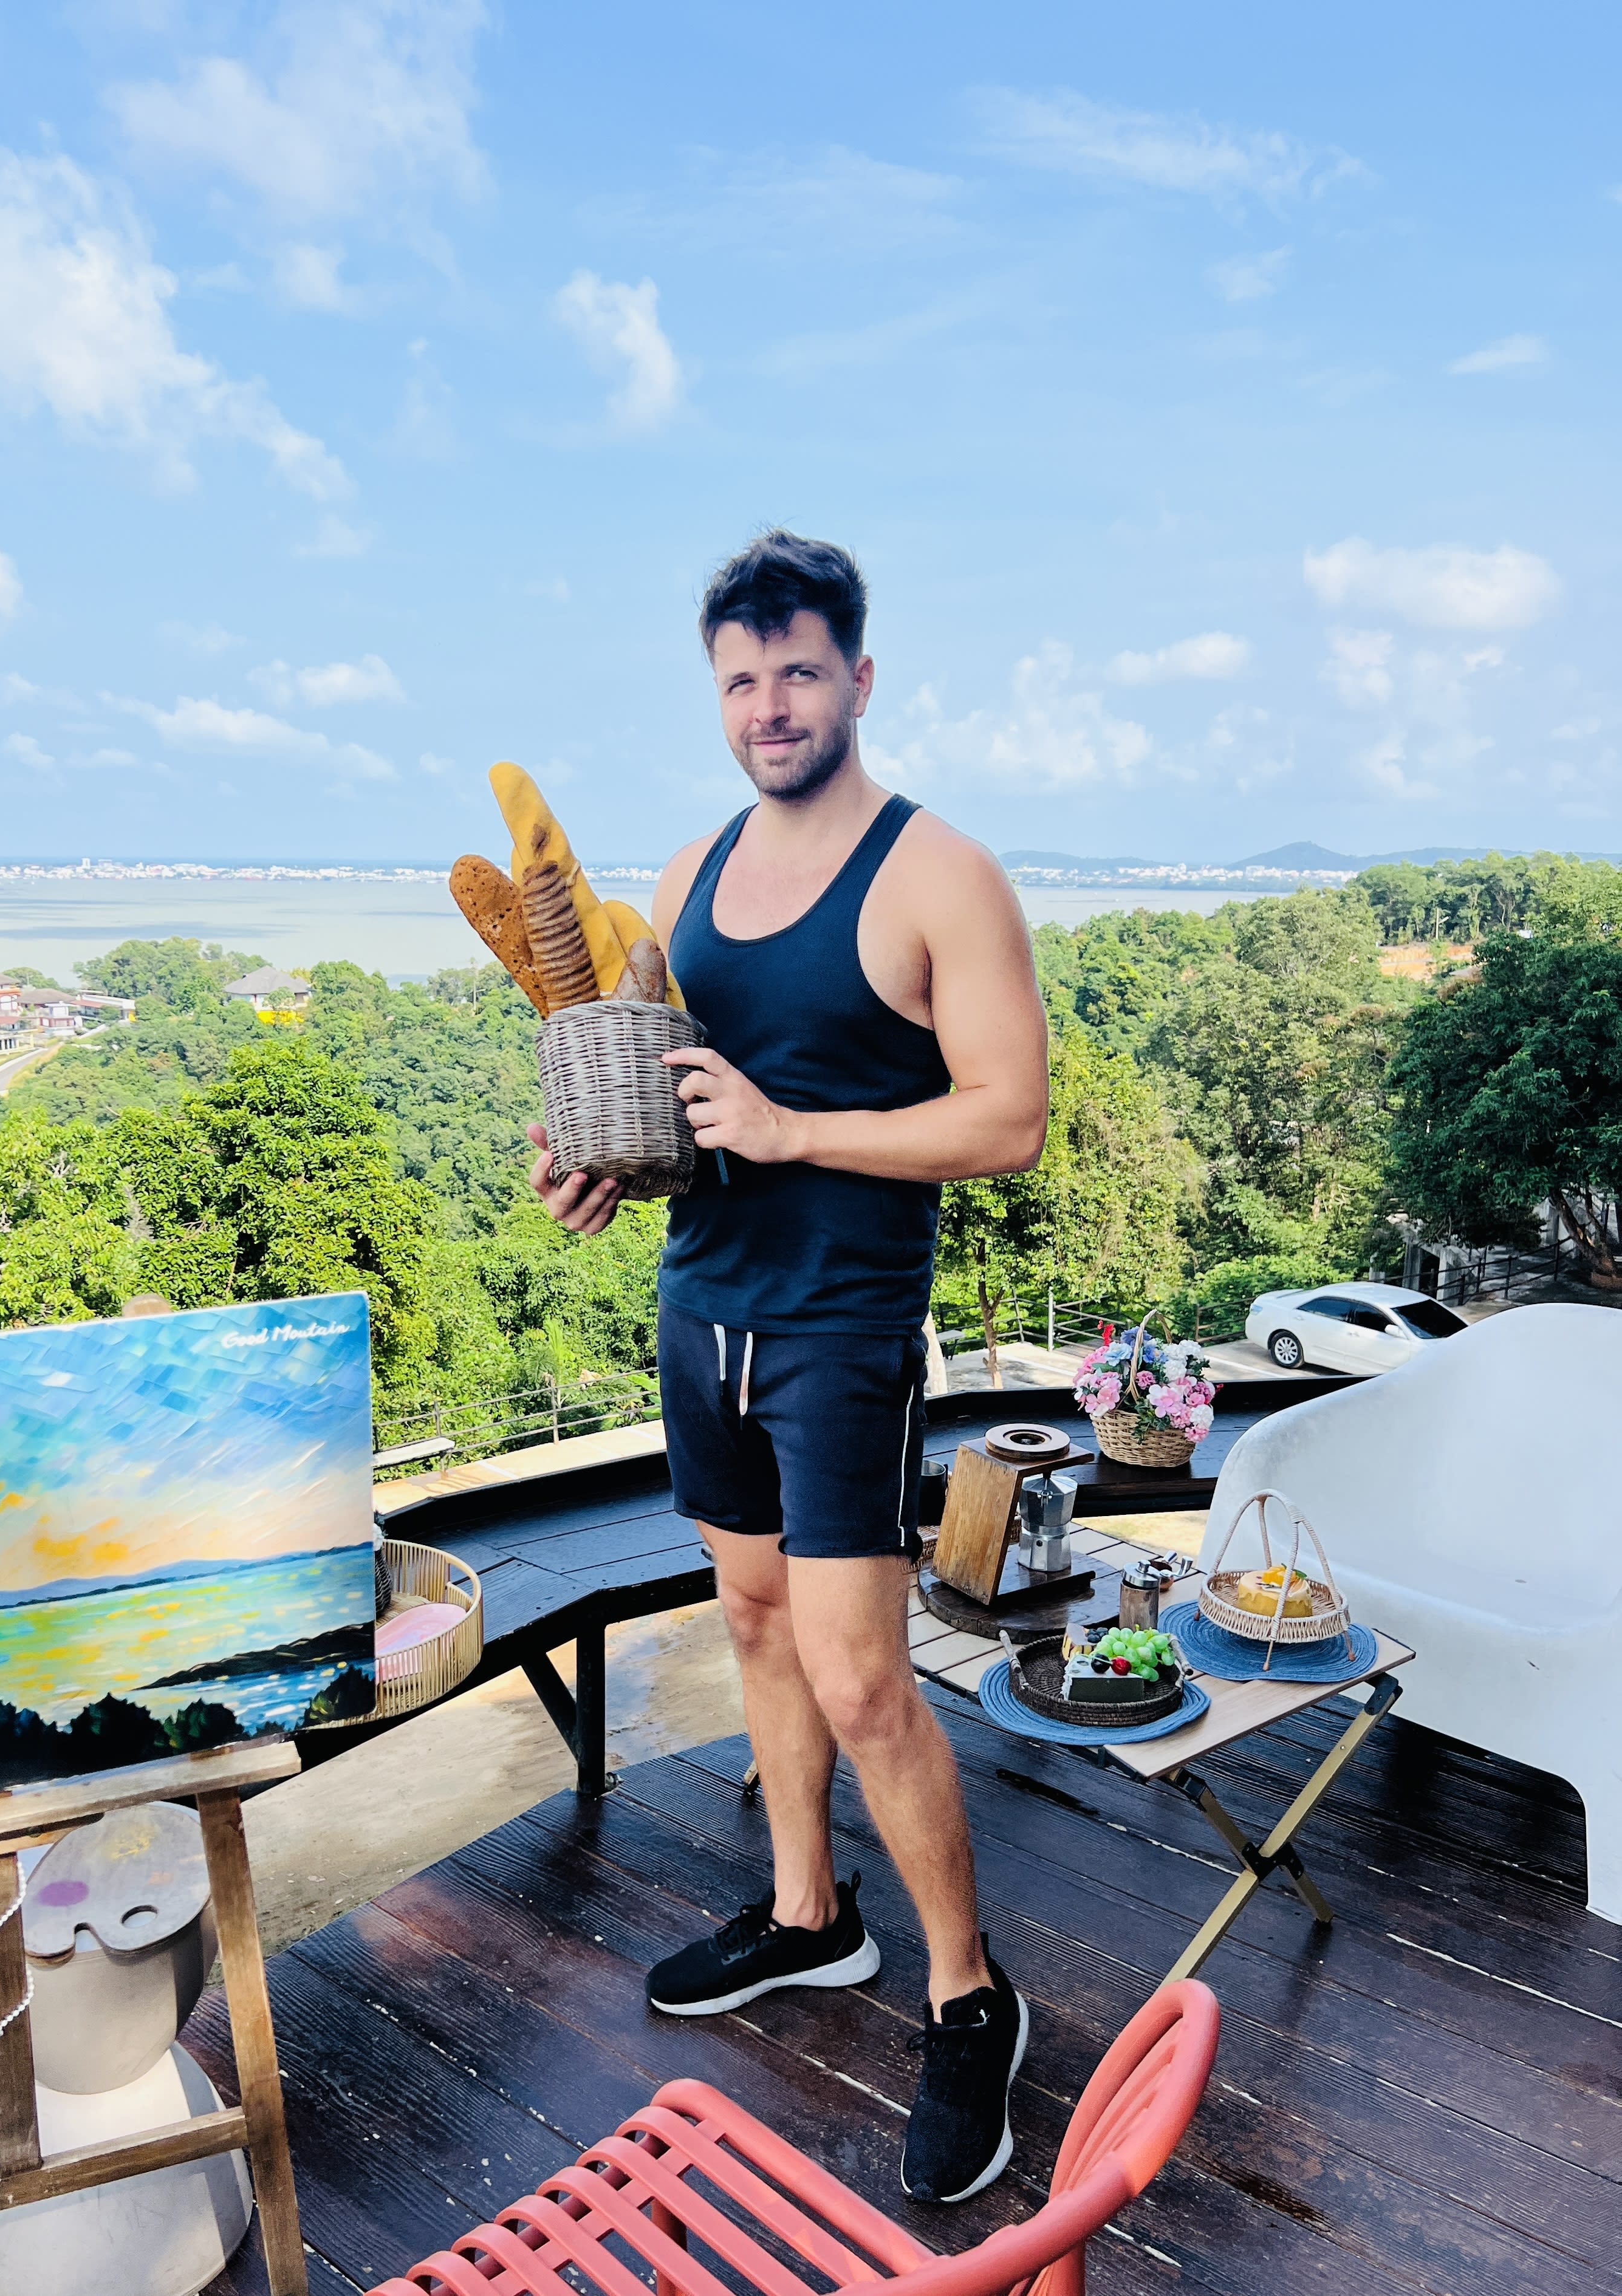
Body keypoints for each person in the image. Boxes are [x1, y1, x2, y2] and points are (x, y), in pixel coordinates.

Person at [527, 529, 1050, 2204]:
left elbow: (1010, 1117)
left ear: (860, 680)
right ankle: (809, 1916)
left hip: (840, 1330)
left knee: (860, 1675)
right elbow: (664, 1087)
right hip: (704, 1305)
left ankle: (972, 1992)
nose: (769, 704)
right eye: (740, 680)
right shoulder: (684, 878)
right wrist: (600, 1162)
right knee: (752, 1624)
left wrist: (791, 1125)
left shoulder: (936, 874)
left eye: (799, 671)